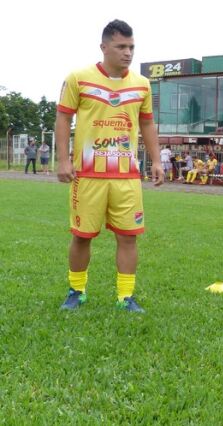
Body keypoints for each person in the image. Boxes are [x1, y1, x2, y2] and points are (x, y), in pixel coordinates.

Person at [55, 19, 163, 313]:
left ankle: (125, 297)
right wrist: (63, 159)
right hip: (88, 174)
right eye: (121, 47)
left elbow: (147, 123)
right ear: (104, 47)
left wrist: (155, 160)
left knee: (128, 236)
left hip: (126, 176)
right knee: (81, 236)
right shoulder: (79, 78)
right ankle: (76, 291)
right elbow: (63, 118)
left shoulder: (142, 84)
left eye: (131, 47)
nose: (128, 53)